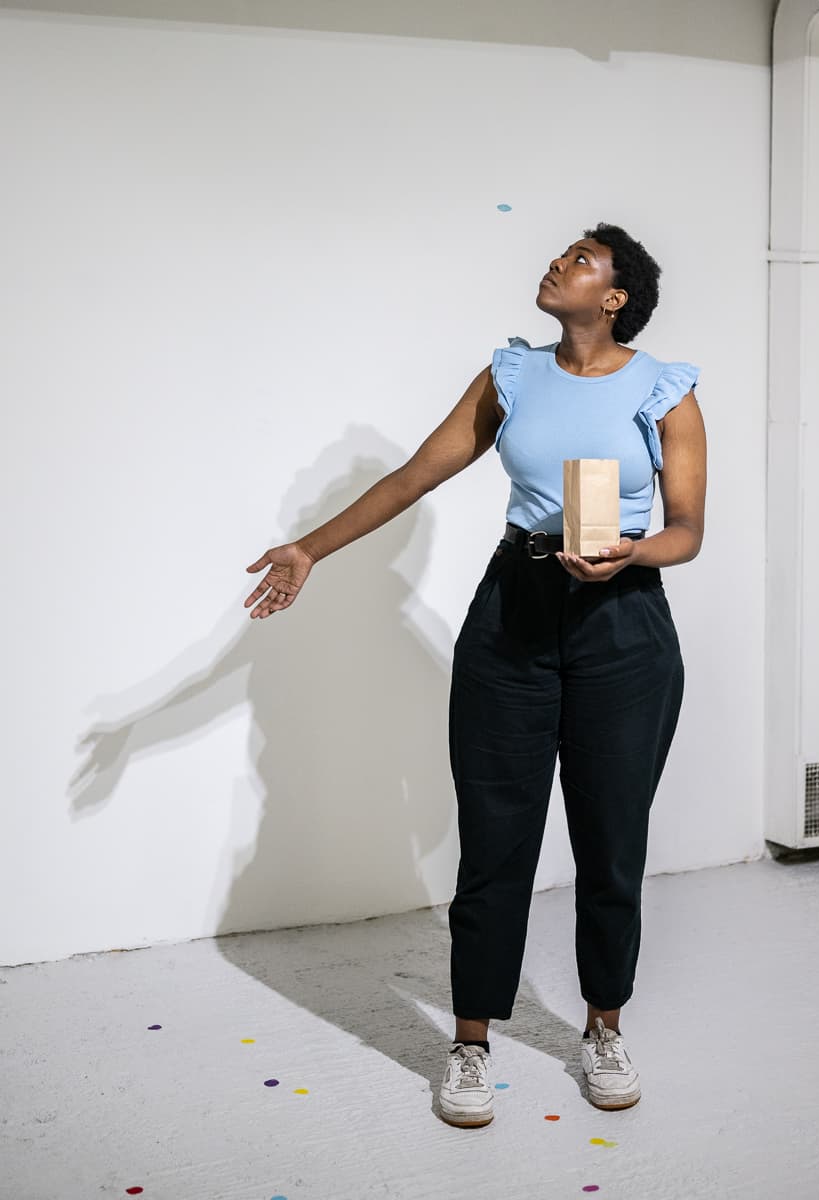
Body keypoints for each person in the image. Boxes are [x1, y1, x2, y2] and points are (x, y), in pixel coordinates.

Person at [243, 222, 706, 1130]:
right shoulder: (512, 375)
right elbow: (418, 474)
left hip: (625, 621)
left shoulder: (667, 390)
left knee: (612, 841)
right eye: (563, 253)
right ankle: (471, 1043)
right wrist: (311, 548)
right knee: (497, 842)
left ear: (614, 297)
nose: (558, 263)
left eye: (581, 260)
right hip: (512, 615)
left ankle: (603, 1027)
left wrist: (631, 553)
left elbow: (688, 527)